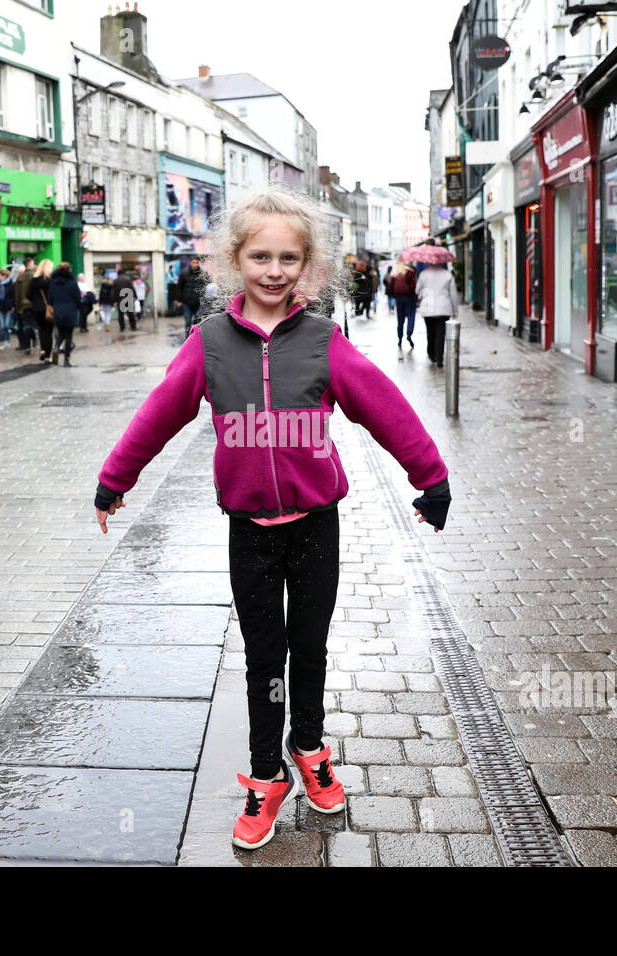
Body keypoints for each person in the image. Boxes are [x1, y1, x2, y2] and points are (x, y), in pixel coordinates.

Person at [91, 185, 452, 852]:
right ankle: (266, 773)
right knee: (265, 657)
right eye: (261, 255)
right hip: (249, 533)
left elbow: (386, 409)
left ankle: (310, 749)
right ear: (236, 259)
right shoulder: (209, 344)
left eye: (289, 257)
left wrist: (430, 478)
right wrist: (115, 480)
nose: (275, 269)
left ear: (308, 266)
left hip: (317, 526)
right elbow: (158, 416)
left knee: (308, 648)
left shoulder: (322, 341)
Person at [415, 261, 459, 368]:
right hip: (443, 308)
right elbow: (453, 293)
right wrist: (455, 310)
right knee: (440, 334)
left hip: (428, 307)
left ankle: (431, 354)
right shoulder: (447, 274)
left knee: (430, 332)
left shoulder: (423, 274)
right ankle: (439, 358)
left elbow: (417, 290)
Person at [47, 261, 83, 366]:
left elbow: (50, 299)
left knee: (61, 333)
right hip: (70, 311)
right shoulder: (72, 283)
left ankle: (56, 347)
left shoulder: (53, 283)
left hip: (58, 310)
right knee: (68, 336)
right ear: (69, 270)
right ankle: (66, 360)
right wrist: (79, 307)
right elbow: (77, 298)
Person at [387, 261, 418, 353]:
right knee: (411, 316)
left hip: (399, 299)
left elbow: (391, 288)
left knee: (400, 320)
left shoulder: (395, 272)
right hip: (409, 298)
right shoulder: (411, 272)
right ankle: (409, 333)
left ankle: (400, 339)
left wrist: (395, 296)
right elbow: (413, 287)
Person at [28, 259, 54, 361]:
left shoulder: (34, 279)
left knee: (41, 330)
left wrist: (35, 302)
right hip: (48, 308)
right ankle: (47, 355)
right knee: (49, 331)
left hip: (37, 309)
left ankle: (43, 350)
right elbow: (53, 295)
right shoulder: (50, 280)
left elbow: (28, 295)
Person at [177, 256, 206, 336]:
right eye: (194, 262)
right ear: (190, 263)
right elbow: (179, 287)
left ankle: (196, 338)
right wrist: (179, 300)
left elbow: (205, 287)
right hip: (186, 302)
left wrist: (204, 300)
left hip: (198, 302)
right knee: (188, 322)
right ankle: (187, 339)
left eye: (197, 263)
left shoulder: (202, 274)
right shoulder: (184, 273)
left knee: (198, 322)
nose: (195, 265)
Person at [13, 257, 37, 351]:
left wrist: (19, 307)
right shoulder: (35, 275)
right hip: (35, 304)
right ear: (30, 264)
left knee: (26, 325)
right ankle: (34, 337)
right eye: (33, 263)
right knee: (33, 325)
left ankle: (27, 346)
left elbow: (17, 294)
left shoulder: (20, 277)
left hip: (24, 305)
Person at [0, 267, 14, 350]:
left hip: (8, 307)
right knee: (3, 326)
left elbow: (13, 296)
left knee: (7, 325)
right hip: (1, 307)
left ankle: (16, 335)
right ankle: (6, 342)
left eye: (0, 276)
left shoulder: (10, 284)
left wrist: (13, 306)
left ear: (5, 276)